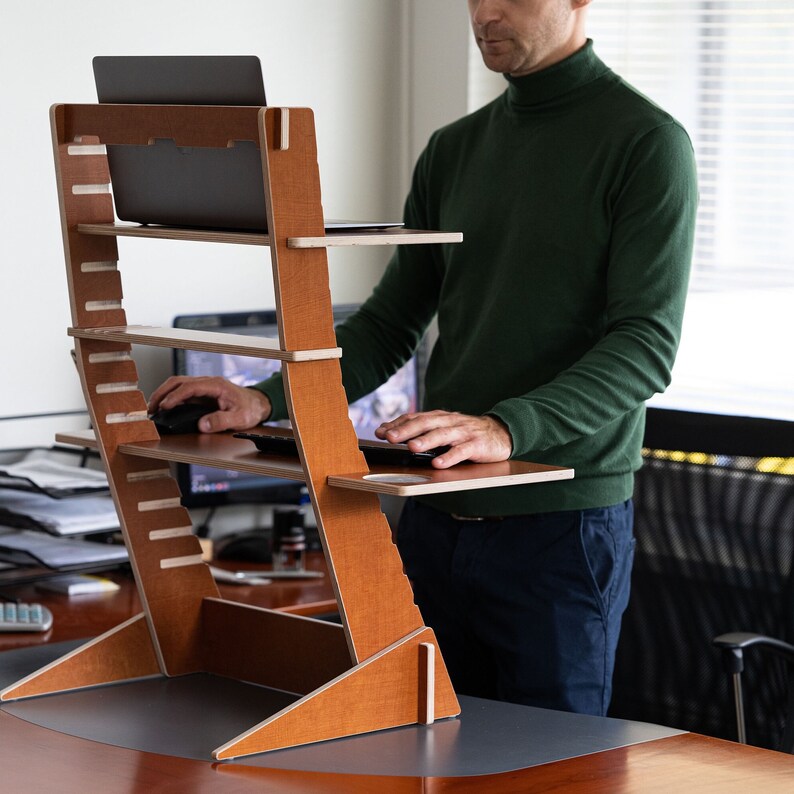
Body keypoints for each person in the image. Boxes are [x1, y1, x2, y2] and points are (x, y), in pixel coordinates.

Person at [149, 0, 698, 716]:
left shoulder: (646, 142)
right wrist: (266, 400)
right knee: (426, 748)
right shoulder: (453, 149)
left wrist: (505, 428)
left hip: (558, 526)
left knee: (551, 769)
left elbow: (645, 346)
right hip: (435, 514)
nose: (486, 12)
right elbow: (387, 324)